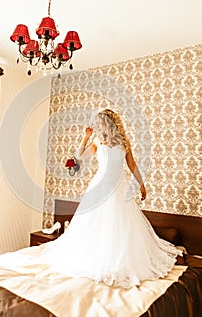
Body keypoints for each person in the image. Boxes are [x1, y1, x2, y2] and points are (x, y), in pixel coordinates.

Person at [42, 109, 182, 289]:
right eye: (98, 122)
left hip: (119, 188)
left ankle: (117, 259)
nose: (98, 125)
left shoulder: (124, 143)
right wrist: (86, 137)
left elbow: (131, 164)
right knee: (95, 223)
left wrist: (141, 184)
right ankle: (95, 256)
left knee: (119, 224)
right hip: (99, 188)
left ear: (109, 123)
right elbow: (79, 155)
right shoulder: (97, 142)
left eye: (101, 122)